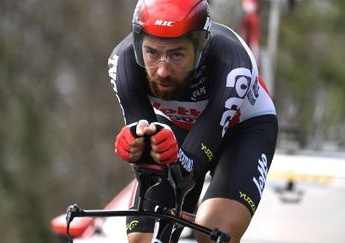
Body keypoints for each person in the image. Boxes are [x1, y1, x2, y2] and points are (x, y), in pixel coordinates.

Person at [108, 0, 278, 242]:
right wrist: (137, 144)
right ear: (138, 45)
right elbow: (147, 153)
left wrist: (171, 159)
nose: (163, 71)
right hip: (177, 127)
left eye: (177, 54)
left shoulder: (232, 63)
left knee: (212, 232)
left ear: (200, 48)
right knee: (140, 236)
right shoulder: (122, 63)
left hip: (242, 130)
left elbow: (191, 167)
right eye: (152, 53)